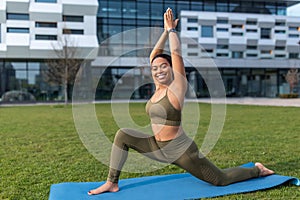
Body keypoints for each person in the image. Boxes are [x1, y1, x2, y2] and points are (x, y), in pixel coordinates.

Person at [88, 8, 274, 195]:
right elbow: (154, 55)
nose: (159, 70)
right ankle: (111, 183)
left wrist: (171, 31)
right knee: (123, 135)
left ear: (171, 68)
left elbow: (175, 51)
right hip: (156, 146)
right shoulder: (158, 87)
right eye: (155, 68)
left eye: (164, 66)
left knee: (220, 179)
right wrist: (163, 32)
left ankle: (257, 169)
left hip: (180, 150)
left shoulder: (177, 87)